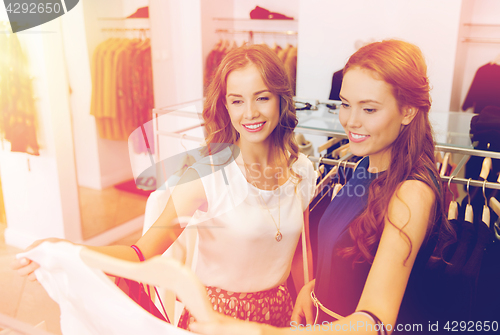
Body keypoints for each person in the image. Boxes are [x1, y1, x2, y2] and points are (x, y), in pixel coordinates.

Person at [13, 44, 316, 329]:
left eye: (262, 97)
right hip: (215, 319)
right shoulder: (206, 176)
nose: (249, 113)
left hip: (280, 313)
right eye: (237, 100)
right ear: (225, 105)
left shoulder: (301, 170)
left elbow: (298, 250)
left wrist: (307, 292)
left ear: (281, 98)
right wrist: (66, 251)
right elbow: (141, 253)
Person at [188, 39, 454, 335]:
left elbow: (376, 321)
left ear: (407, 112)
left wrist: (265, 332)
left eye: (369, 109)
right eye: (345, 104)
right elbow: (356, 261)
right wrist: (313, 290)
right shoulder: (365, 165)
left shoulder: (412, 193)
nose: (351, 121)